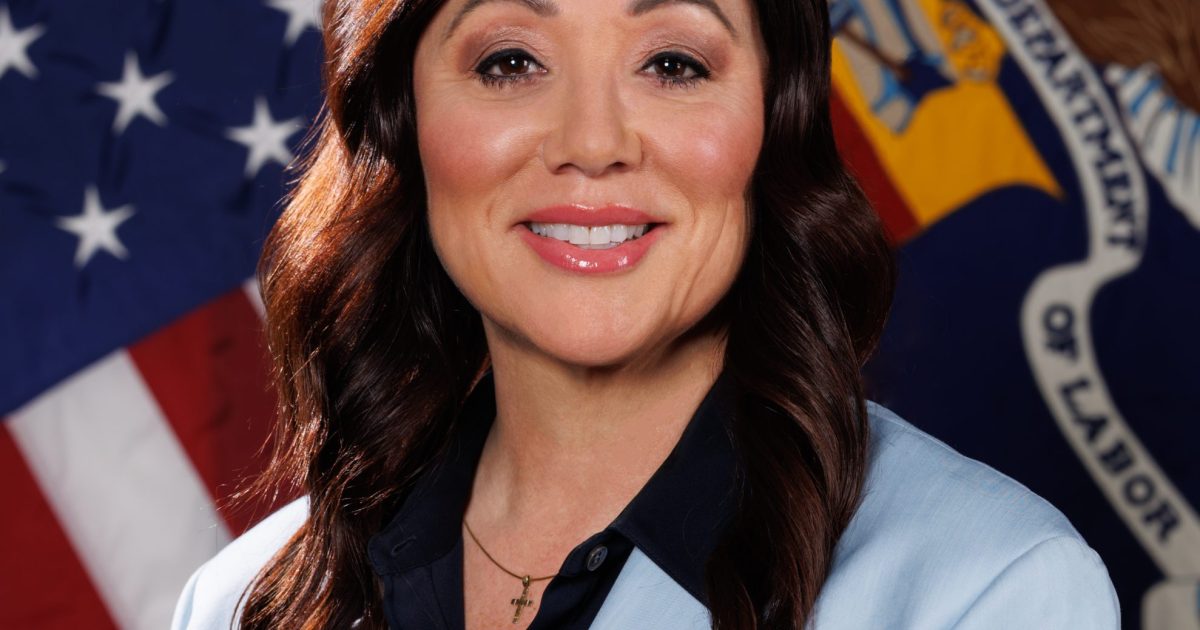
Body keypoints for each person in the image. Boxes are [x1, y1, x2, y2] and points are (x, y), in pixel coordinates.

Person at [170, 0, 1121, 628]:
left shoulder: (990, 590)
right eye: (509, 61)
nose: (593, 143)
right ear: (400, 119)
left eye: (672, 62)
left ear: (775, 116)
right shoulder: (240, 605)